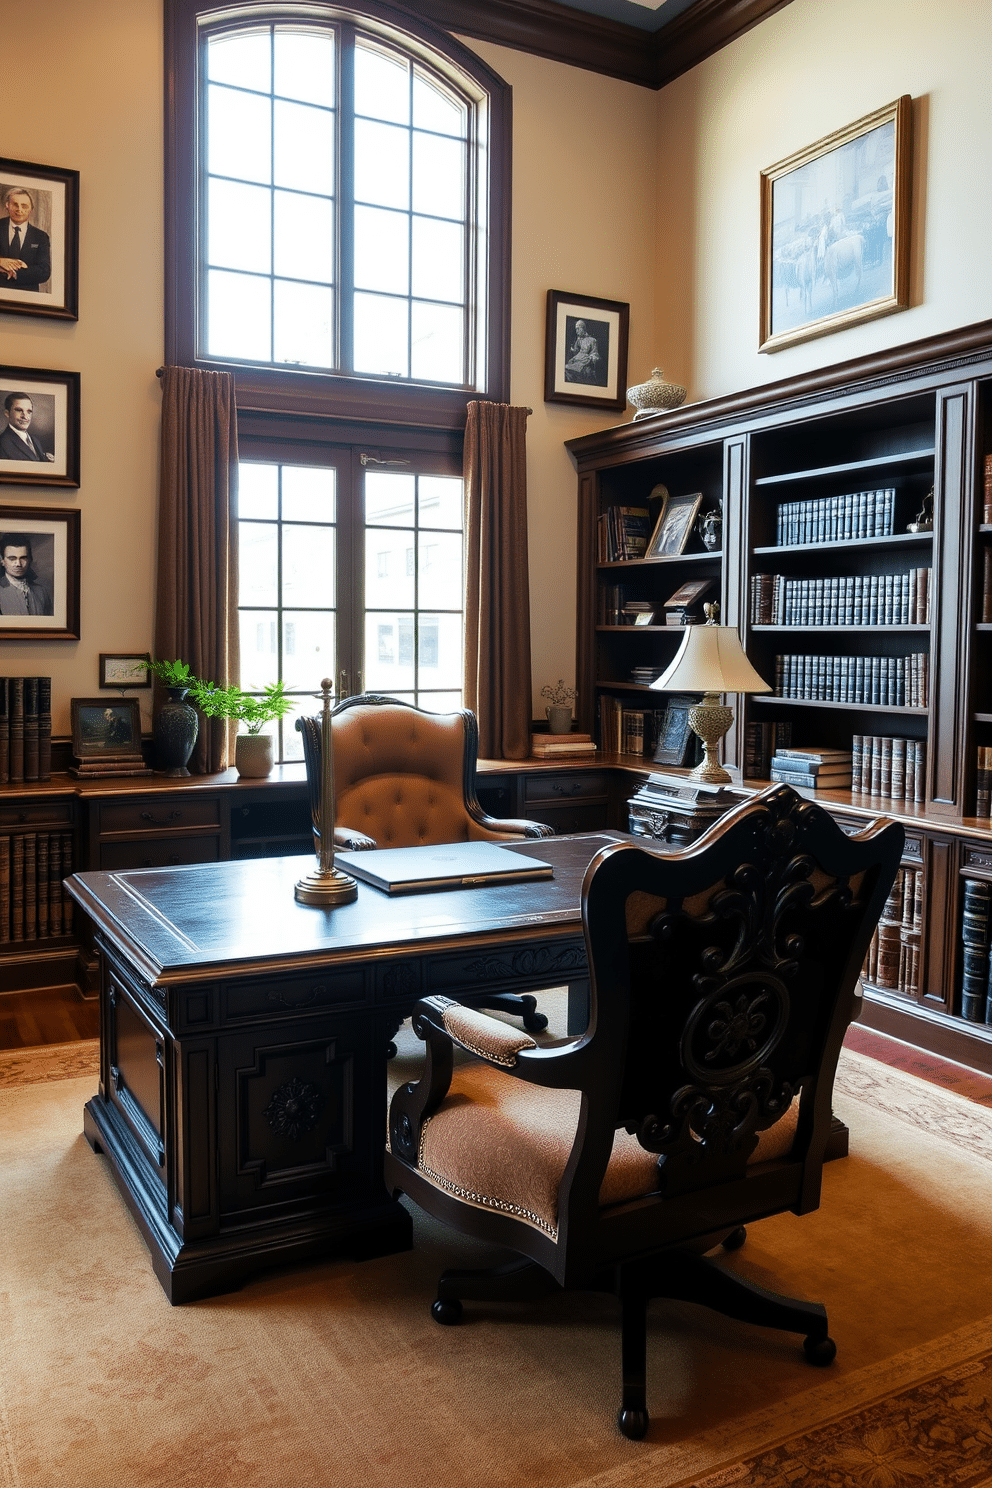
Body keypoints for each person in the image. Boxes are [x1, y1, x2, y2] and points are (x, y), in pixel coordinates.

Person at [0, 186, 52, 291]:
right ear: (7, 205)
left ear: (31, 209)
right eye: (15, 205)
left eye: (24, 206)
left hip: (27, 297)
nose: (19, 210)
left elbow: (44, 271)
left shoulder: (41, 237)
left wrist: (15, 273)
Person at [0, 533, 53, 616]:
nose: (18, 564)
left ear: (30, 559)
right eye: (12, 558)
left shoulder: (41, 592)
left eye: (23, 558)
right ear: (2, 560)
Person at [0, 392, 55, 462]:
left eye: (29, 411)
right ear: (7, 413)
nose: (25, 417)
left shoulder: (35, 440)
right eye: (19, 410)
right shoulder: (3, 443)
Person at [564, 319, 602, 383]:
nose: (577, 331)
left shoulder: (592, 340)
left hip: (585, 361)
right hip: (578, 359)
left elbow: (595, 353)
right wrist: (573, 350)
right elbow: (576, 351)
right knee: (566, 368)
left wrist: (590, 358)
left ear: (583, 328)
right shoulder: (579, 340)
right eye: (576, 329)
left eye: (578, 329)